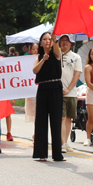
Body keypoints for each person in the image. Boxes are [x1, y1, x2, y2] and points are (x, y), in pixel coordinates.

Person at [32, 32, 64, 162]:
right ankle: (41, 153)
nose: (47, 41)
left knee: (56, 121)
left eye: (49, 39)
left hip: (55, 87)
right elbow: (35, 70)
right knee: (41, 120)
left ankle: (57, 154)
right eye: (44, 39)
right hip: (43, 88)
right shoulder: (39, 56)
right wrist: (43, 60)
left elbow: (57, 54)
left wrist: (55, 42)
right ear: (41, 42)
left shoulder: (57, 52)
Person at [59, 34, 82, 153]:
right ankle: (62, 142)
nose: (64, 43)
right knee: (61, 118)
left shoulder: (76, 57)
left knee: (68, 118)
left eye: (67, 41)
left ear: (71, 43)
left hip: (71, 92)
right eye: (62, 40)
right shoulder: (56, 55)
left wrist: (68, 89)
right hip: (58, 92)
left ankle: (66, 141)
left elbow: (77, 74)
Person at [25, 43, 39, 125]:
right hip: (31, 88)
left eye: (37, 49)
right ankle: (36, 131)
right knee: (33, 112)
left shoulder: (42, 59)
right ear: (30, 50)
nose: (35, 51)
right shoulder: (27, 61)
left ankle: (37, 132)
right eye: (34, 49)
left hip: (39, 87)